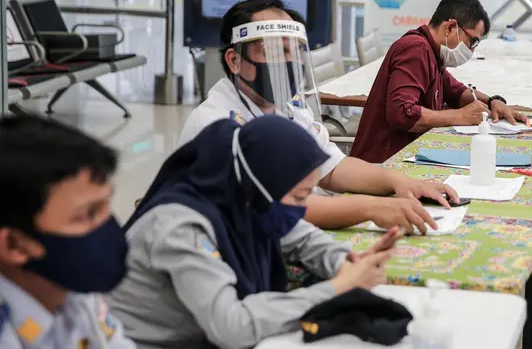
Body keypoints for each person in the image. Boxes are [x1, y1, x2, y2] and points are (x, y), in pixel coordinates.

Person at [110, 115, 400, 349]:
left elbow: (304, 238)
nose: (303, 208)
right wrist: (339, 287)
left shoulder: (244, 197)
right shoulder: (182, 228)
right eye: (300, 197)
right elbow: (232, 327)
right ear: (263, 185)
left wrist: (346, 262)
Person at [179, 0, 458, 235]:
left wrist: (401, 183)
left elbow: (332, 167)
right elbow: (276, 209)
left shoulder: (287, 106)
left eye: (294, 51)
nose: (289, 62)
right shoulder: (216, 126)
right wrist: (371, 207)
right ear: (234, 60)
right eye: (274, 51)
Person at [0, 116, 135, 348]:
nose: (107, 224)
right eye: (88, 214)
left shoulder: (70, 289)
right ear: (14, 245)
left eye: (106, 205)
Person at [350, 0, 529, 164]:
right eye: (472, 41)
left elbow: (455, 91)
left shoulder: (432, 52)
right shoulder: (415, 49)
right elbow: (403, 113)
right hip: (382, 163)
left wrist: (492, 102)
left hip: (406, 156)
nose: (472, 50)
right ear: (450, 27)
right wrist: (459, 116)